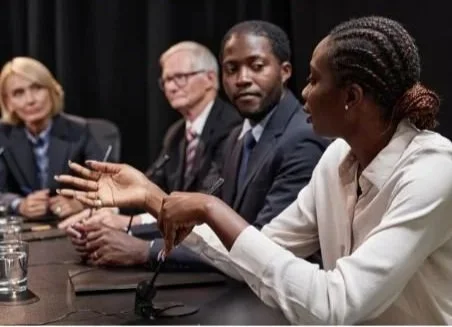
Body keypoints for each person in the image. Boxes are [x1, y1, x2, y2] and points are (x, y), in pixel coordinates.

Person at [56, 16, 452, 324]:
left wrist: (211, 208)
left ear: (351, 97)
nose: (305, 92)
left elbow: (335, 306)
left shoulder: (433, 173)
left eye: (314, 79)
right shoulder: (335, 160)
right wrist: (153, 198)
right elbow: (253, 253)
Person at [59, 41, 242, 264]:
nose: (172, 87)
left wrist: (131, 224)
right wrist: (108, 212)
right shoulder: (176, 133)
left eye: (180, 77)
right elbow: (150, 185)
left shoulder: (233, 128)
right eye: (166, 81)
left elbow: (205, 204)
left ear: (210, 79)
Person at [0, 57, 104, 220]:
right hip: (24, 229)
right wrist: (19, 204)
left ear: (51, 90)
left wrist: (79, 202)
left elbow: (106, 183)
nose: (30, 100)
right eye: (18, 93)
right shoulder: (3, 136)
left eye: (37, 88)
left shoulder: (79, 131)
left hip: (71, 225)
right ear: (8, 102)